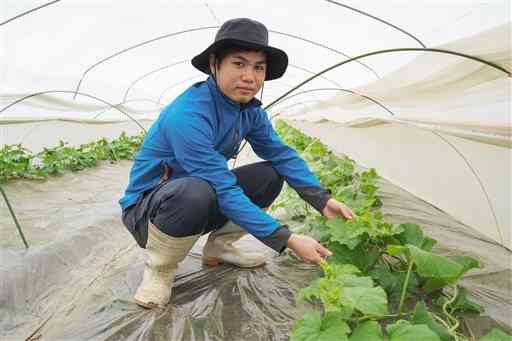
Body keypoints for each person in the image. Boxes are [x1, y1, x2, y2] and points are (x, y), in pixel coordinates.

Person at [119, 18, 354, 309]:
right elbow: (223, 188)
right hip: (150, 211)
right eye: (239, 64)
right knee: (195, 190)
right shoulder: (189, 114)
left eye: (259, 67)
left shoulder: (250, 111)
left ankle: (219, 248)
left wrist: (321, 199)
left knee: (270, 174)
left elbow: (281, 153)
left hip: (203, 196)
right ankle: (159, 270)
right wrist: (287, 239)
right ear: (215, 63)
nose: (250, 76)